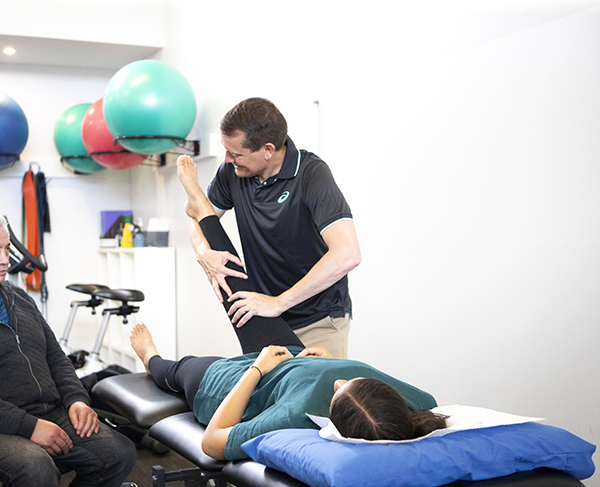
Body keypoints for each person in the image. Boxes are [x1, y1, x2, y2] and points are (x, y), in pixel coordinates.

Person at [134, 162, 445, 461]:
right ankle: (204, 211)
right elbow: (427, 405)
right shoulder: (414, 404)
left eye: (338, 393)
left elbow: (212, 442)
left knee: (178, 369)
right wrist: (322, 362)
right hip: (293, 357)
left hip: (233, 384)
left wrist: (257, 369)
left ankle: (151, 358)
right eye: (351, 382)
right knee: (243, 296)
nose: (339, 381)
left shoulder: (293, 414)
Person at [0, 209, 136, 487]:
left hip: (41, 412)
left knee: (118, 453)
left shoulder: (18, 298)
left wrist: (76, 399)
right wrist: (28, 427)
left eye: (7, 249)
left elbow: (55, 356)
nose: (5, 259)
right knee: (36, 468)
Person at [185, 98, 361, 359]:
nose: (227, 159)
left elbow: (348, 253)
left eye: (236, 153)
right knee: (266, 396)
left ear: (267, 149)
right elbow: (198, 216)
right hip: (265, 319)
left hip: (318, 318)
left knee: (315, 397)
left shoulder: (312, 174)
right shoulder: (231, 172)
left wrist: (279, 302)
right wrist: (203, 252)